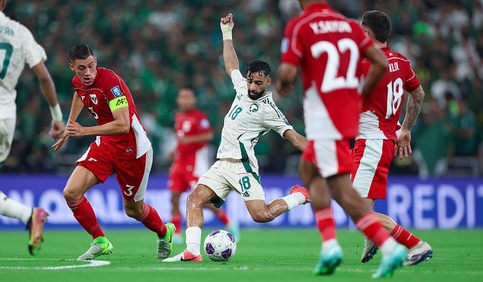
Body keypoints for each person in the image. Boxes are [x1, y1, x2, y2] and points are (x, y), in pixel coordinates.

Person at [163, 13, 310, 262]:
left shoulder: (270, 111)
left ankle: (299, 196)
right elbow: (231, 65)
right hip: (221, 163)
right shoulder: (242, 87)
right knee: (194, 199)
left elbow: (294, 138)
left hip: (243, 167)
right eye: (251, 81)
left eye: (258, 84)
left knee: (260, 215)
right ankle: (192, 251)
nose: (252, 87)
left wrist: (328, 156)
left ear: (269, 82)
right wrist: (227, 32)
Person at [276, 0, 407, 278]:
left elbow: (287, 72)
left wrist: (284, 84)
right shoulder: (349, 25)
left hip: (324, 116)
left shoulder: (300, 24)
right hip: (347, 117)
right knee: (310, 171)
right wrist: (358, 93)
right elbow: (380, 62)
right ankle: (330, 245)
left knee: (341, 190)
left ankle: (389, 247)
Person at [52, 44, 175, 261]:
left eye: (91, 66)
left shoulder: (110, 83)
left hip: (133, 151)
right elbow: (79, 94)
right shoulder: (78, 82)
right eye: (82, 68)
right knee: (71, 192)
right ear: (72, 67)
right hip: (106, 146)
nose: (88, 73)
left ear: (96, 62)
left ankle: (165, 233)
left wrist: (84, 130)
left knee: (133, 210)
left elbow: (123, 125)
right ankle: (100, 241)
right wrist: (69, 124)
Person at [0, 0, 65, 272]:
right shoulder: (19, 31)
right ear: (3, 2)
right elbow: (44, 77)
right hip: (5, 118)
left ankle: (27, 214)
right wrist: (56, 117)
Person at [353, 10, 432, 266]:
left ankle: (416, 244)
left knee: (358, 210)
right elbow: (417, 94)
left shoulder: (366, 64)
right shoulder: (400, 61)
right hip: (384, 141)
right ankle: (372, 237)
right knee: (364, 206)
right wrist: (405, 129)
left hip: (371, 143)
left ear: (366, 33)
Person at [168, 86, 239, 244]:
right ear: (178, 100)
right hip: (179, 162)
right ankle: (177, 232)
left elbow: (208, 135)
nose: (184, 100)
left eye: (188, 97)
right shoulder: (178, 116)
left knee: (201, 200)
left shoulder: (199, 117)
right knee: (174, 197)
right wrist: (174, 150)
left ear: (193, 100)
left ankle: (228, 222)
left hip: (195, 164)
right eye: (182, 97)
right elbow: (181, 139)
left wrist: (189, 141)